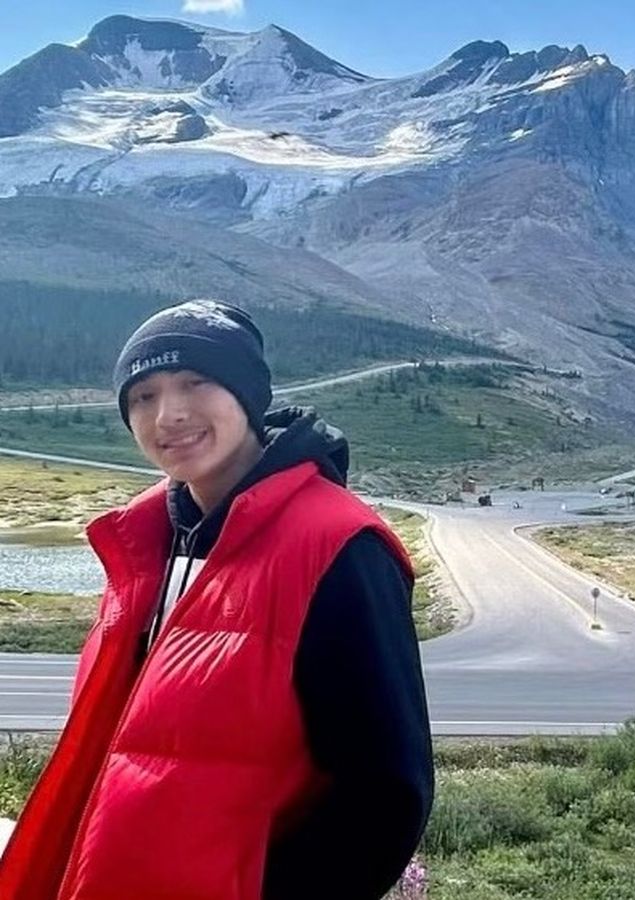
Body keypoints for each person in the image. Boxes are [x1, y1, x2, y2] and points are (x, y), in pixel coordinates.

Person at [0, 300, 434, 899]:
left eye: (195, 382)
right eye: (143, 396)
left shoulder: (338, 547)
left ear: (247, 393)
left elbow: (384, 797)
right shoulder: (147, 540)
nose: (168, 414)